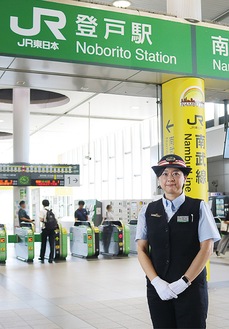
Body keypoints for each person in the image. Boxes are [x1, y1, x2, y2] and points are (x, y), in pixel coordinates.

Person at [136, 154, 220, 329]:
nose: (170, 179)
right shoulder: (147, 211)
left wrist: (184, 282)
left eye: (176, 174)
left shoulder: (199, 207)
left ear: (185, 178)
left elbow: (207, 248)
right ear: (159, 179)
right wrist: (157, 282)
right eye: (165, 174)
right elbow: (141, 249)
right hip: (158, 289)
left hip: (191, 289)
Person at [39, 199, 56, 264]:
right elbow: (56, 219)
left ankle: (42, 257)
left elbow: (41, 219)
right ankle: (51, 258)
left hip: (45, 228)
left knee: (44, 243)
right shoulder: (53, 211)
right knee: (52, 243)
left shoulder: (42, 211)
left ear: (43, 204)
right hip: (52, 229)